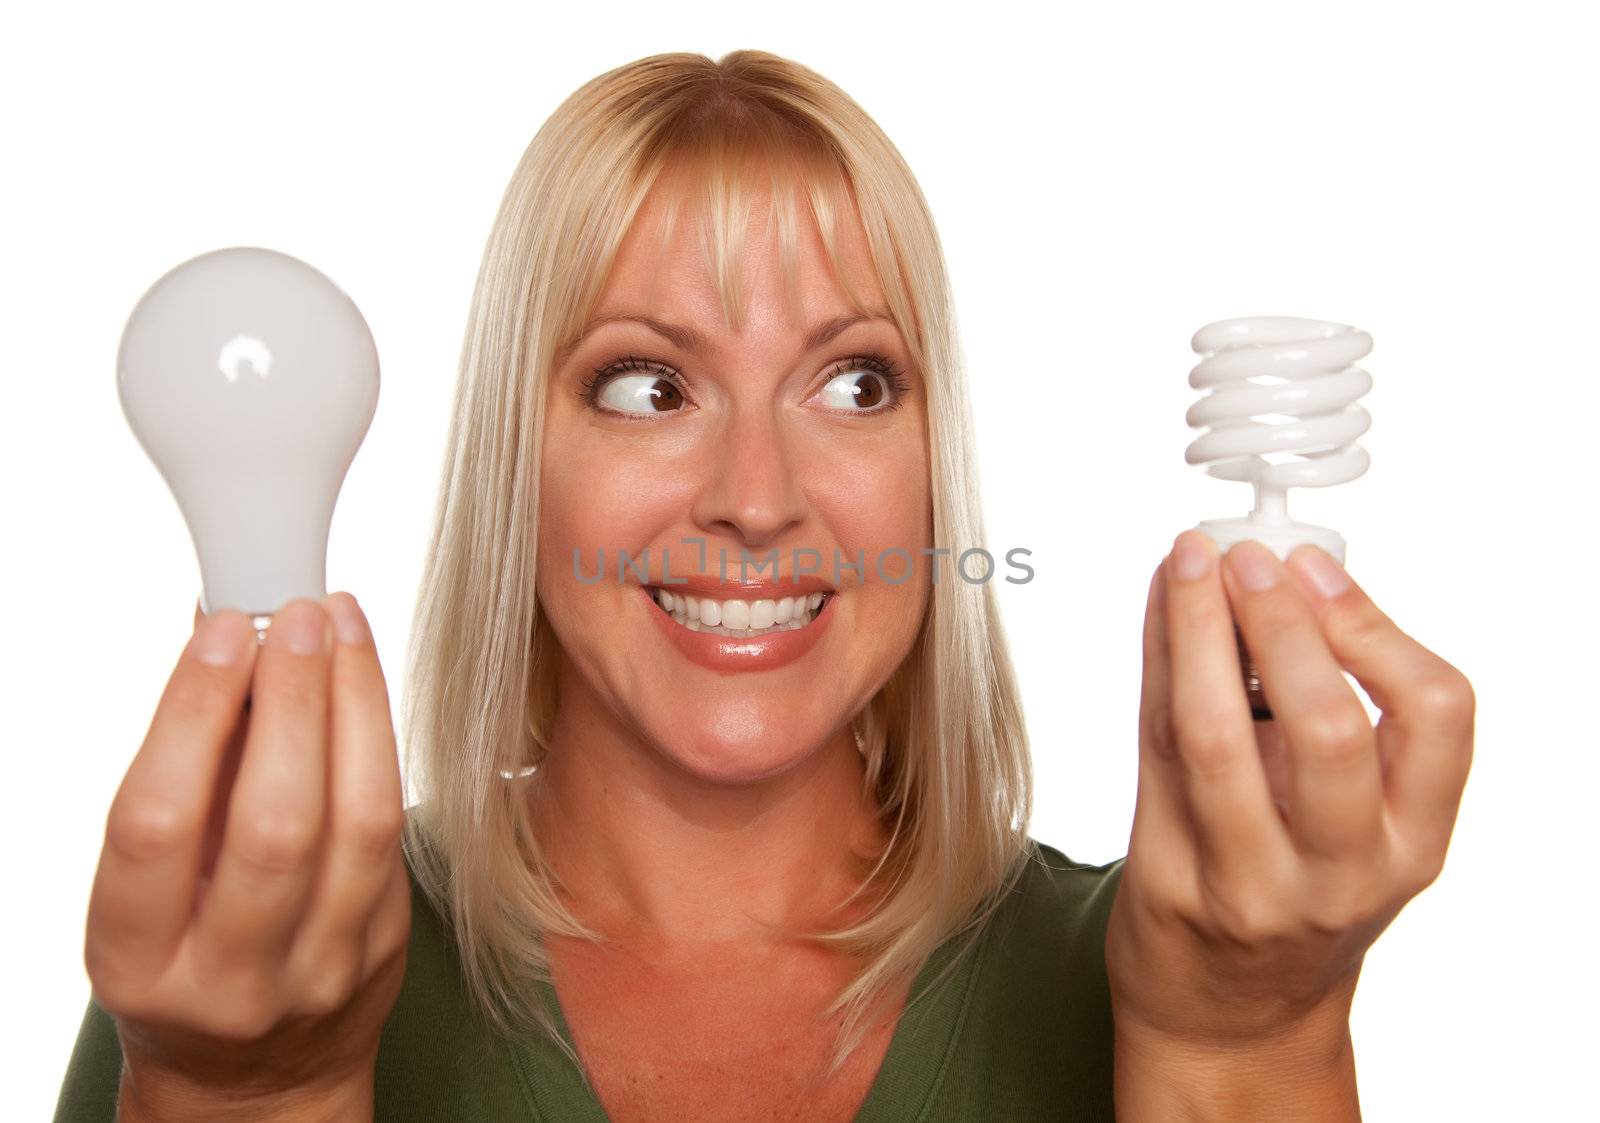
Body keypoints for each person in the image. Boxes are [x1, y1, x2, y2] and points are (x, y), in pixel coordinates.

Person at [54, 50, 1475, 1122]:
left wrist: (1249, 1043)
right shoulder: (240, 973)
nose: (756, 495)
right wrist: (245, 1094)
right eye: (647, 384)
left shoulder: (1174, 971)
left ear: (933, 463)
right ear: (519, 465)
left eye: (855, 383)